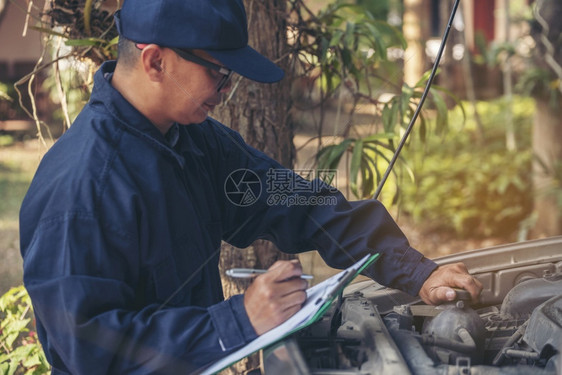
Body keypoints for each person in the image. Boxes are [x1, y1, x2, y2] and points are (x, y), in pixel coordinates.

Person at [19, 0, 483, 373]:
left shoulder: (193, 141)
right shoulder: (84, 189)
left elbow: (295, 201)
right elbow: (89, 355)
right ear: (155, 60)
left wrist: (414, 271)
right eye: (217, 73)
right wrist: (238, 322)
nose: (226, 90)